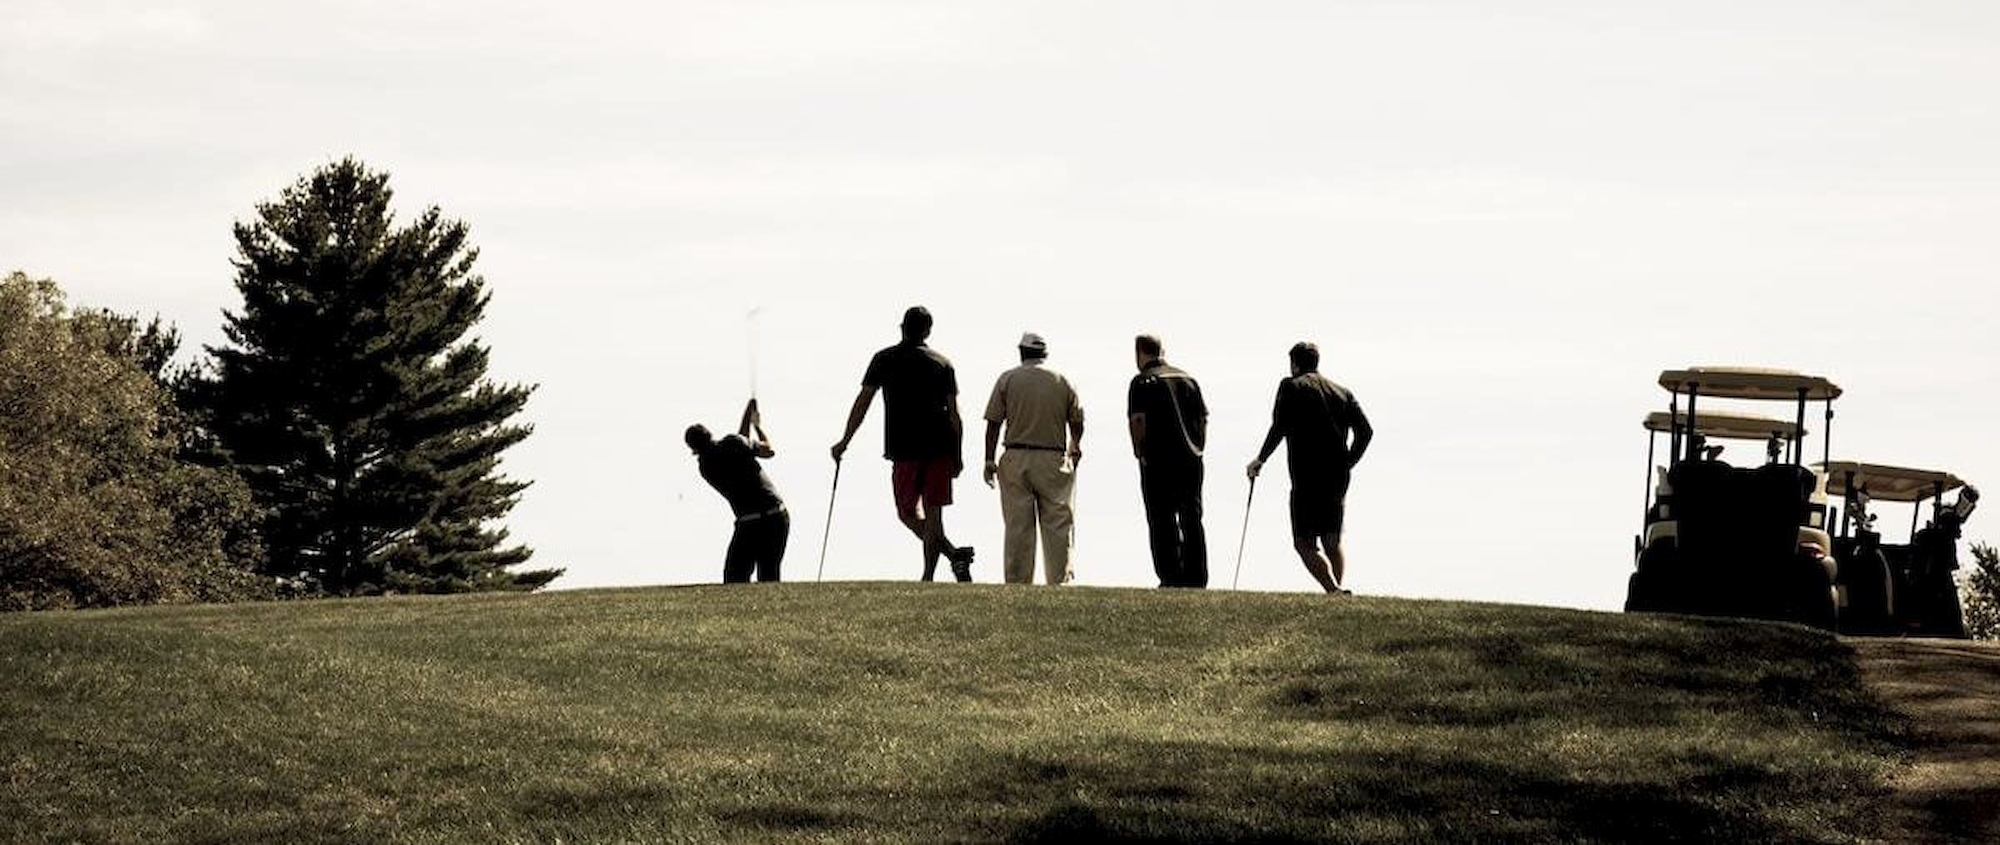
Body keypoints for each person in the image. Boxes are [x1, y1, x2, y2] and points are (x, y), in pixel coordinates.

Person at [831, 306, 976, 582]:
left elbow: (862, 403)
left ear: (902, 327)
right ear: (928, 330)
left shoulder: (884, 359)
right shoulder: (943, 363)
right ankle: (950, 558)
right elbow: (955, 415)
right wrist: (958, 455)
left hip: (904, 449)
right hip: (939, 447)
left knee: (908, 513)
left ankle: (931, 575)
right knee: (932, 514)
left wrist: (844, 441)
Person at [1248, 342, 1373, 594]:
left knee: (1303, 541)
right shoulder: (1342, 392)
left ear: (1294, 363)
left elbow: (1279, 427)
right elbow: (1366, 431)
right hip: (1337, 475)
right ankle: (1337, 590)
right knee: (1331, 539)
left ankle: (1332, 590)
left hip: (1306, 474)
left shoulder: (1290, 386)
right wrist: (1348, 462)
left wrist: (1260, 460)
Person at [981, 332, 1084, 585]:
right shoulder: (1062, 380)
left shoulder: (1008, 379)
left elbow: (993, 422)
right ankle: (1060, 583)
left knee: (1018, 526)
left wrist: (989, 459)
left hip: (1016, 455)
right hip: (1053, 457)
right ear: (1045, 354)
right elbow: (1077, 420)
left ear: (1021, 352)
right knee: (1058, 525)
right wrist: (1074, 445)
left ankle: (1017, 583)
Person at [1127, 334, 1209, 588]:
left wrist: (1139, 451)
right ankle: (1196, 576)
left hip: (1158, 459)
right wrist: (1198, 446)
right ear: (1162, 350)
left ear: (1139, 351)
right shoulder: (1188, 378)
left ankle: (1170, 576)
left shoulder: (1142, 381)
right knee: (1191, 517)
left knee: (1161, 519)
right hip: (1191, 459)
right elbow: (1204, 417)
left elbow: (1138, 420)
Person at [686, 398, 788, 583]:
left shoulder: (705, 467)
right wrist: (757, 426)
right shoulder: (733, 443)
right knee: (769, 577)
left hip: (749, 522)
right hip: (775, 516)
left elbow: (741, 442)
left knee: (734, 578)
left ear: (694, 449)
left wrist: (748, 415)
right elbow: (768, 450)